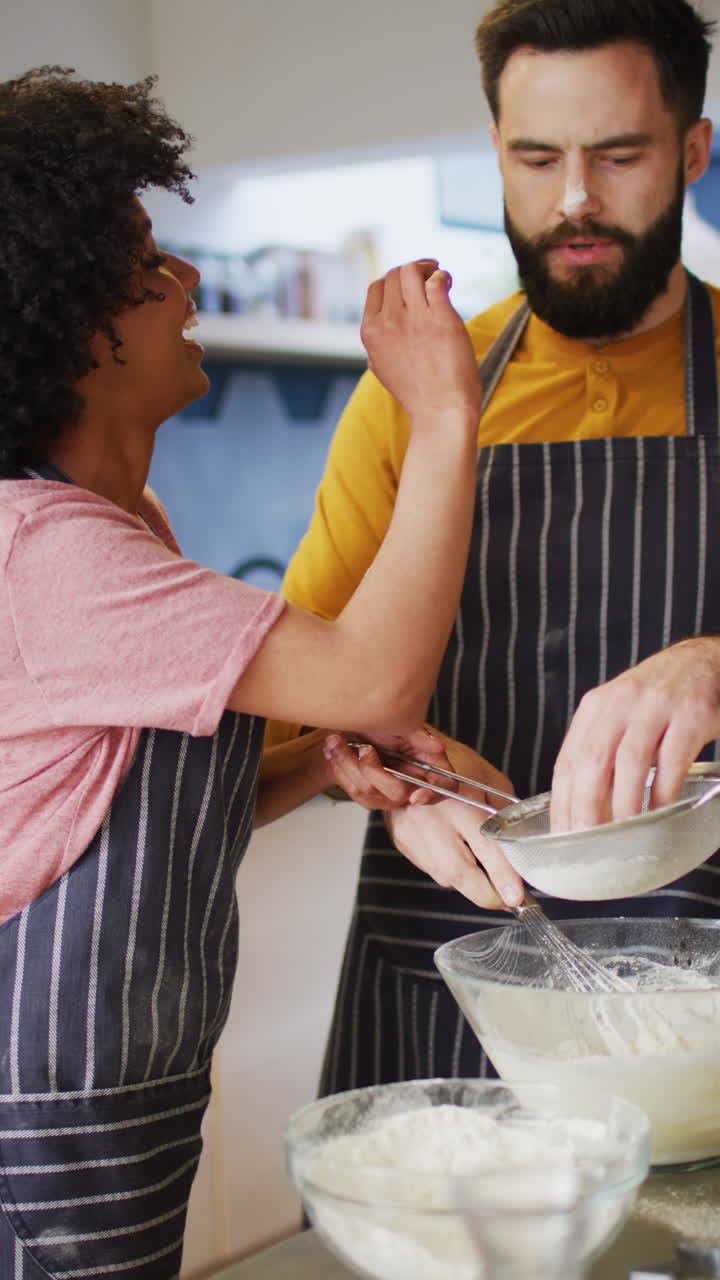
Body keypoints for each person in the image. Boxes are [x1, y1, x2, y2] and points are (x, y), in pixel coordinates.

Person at [0, 67, 485, 1278]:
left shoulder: (123, 525)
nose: (189, 282)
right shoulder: (45, 553)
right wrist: (439, 416)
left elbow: (145, 797)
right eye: (147, 261)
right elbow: (377, 678)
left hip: (122, 1101)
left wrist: (320, 762)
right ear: (65, 313)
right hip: (35, 1122)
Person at [264, 0, 720, 1096]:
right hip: (451, 977)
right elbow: (296, 718)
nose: (574, 201)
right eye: (536, 157)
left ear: (695, 150)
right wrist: (385, 773)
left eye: (617, 156)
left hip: (701, 999)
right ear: (495, 155)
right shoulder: (417, 393)